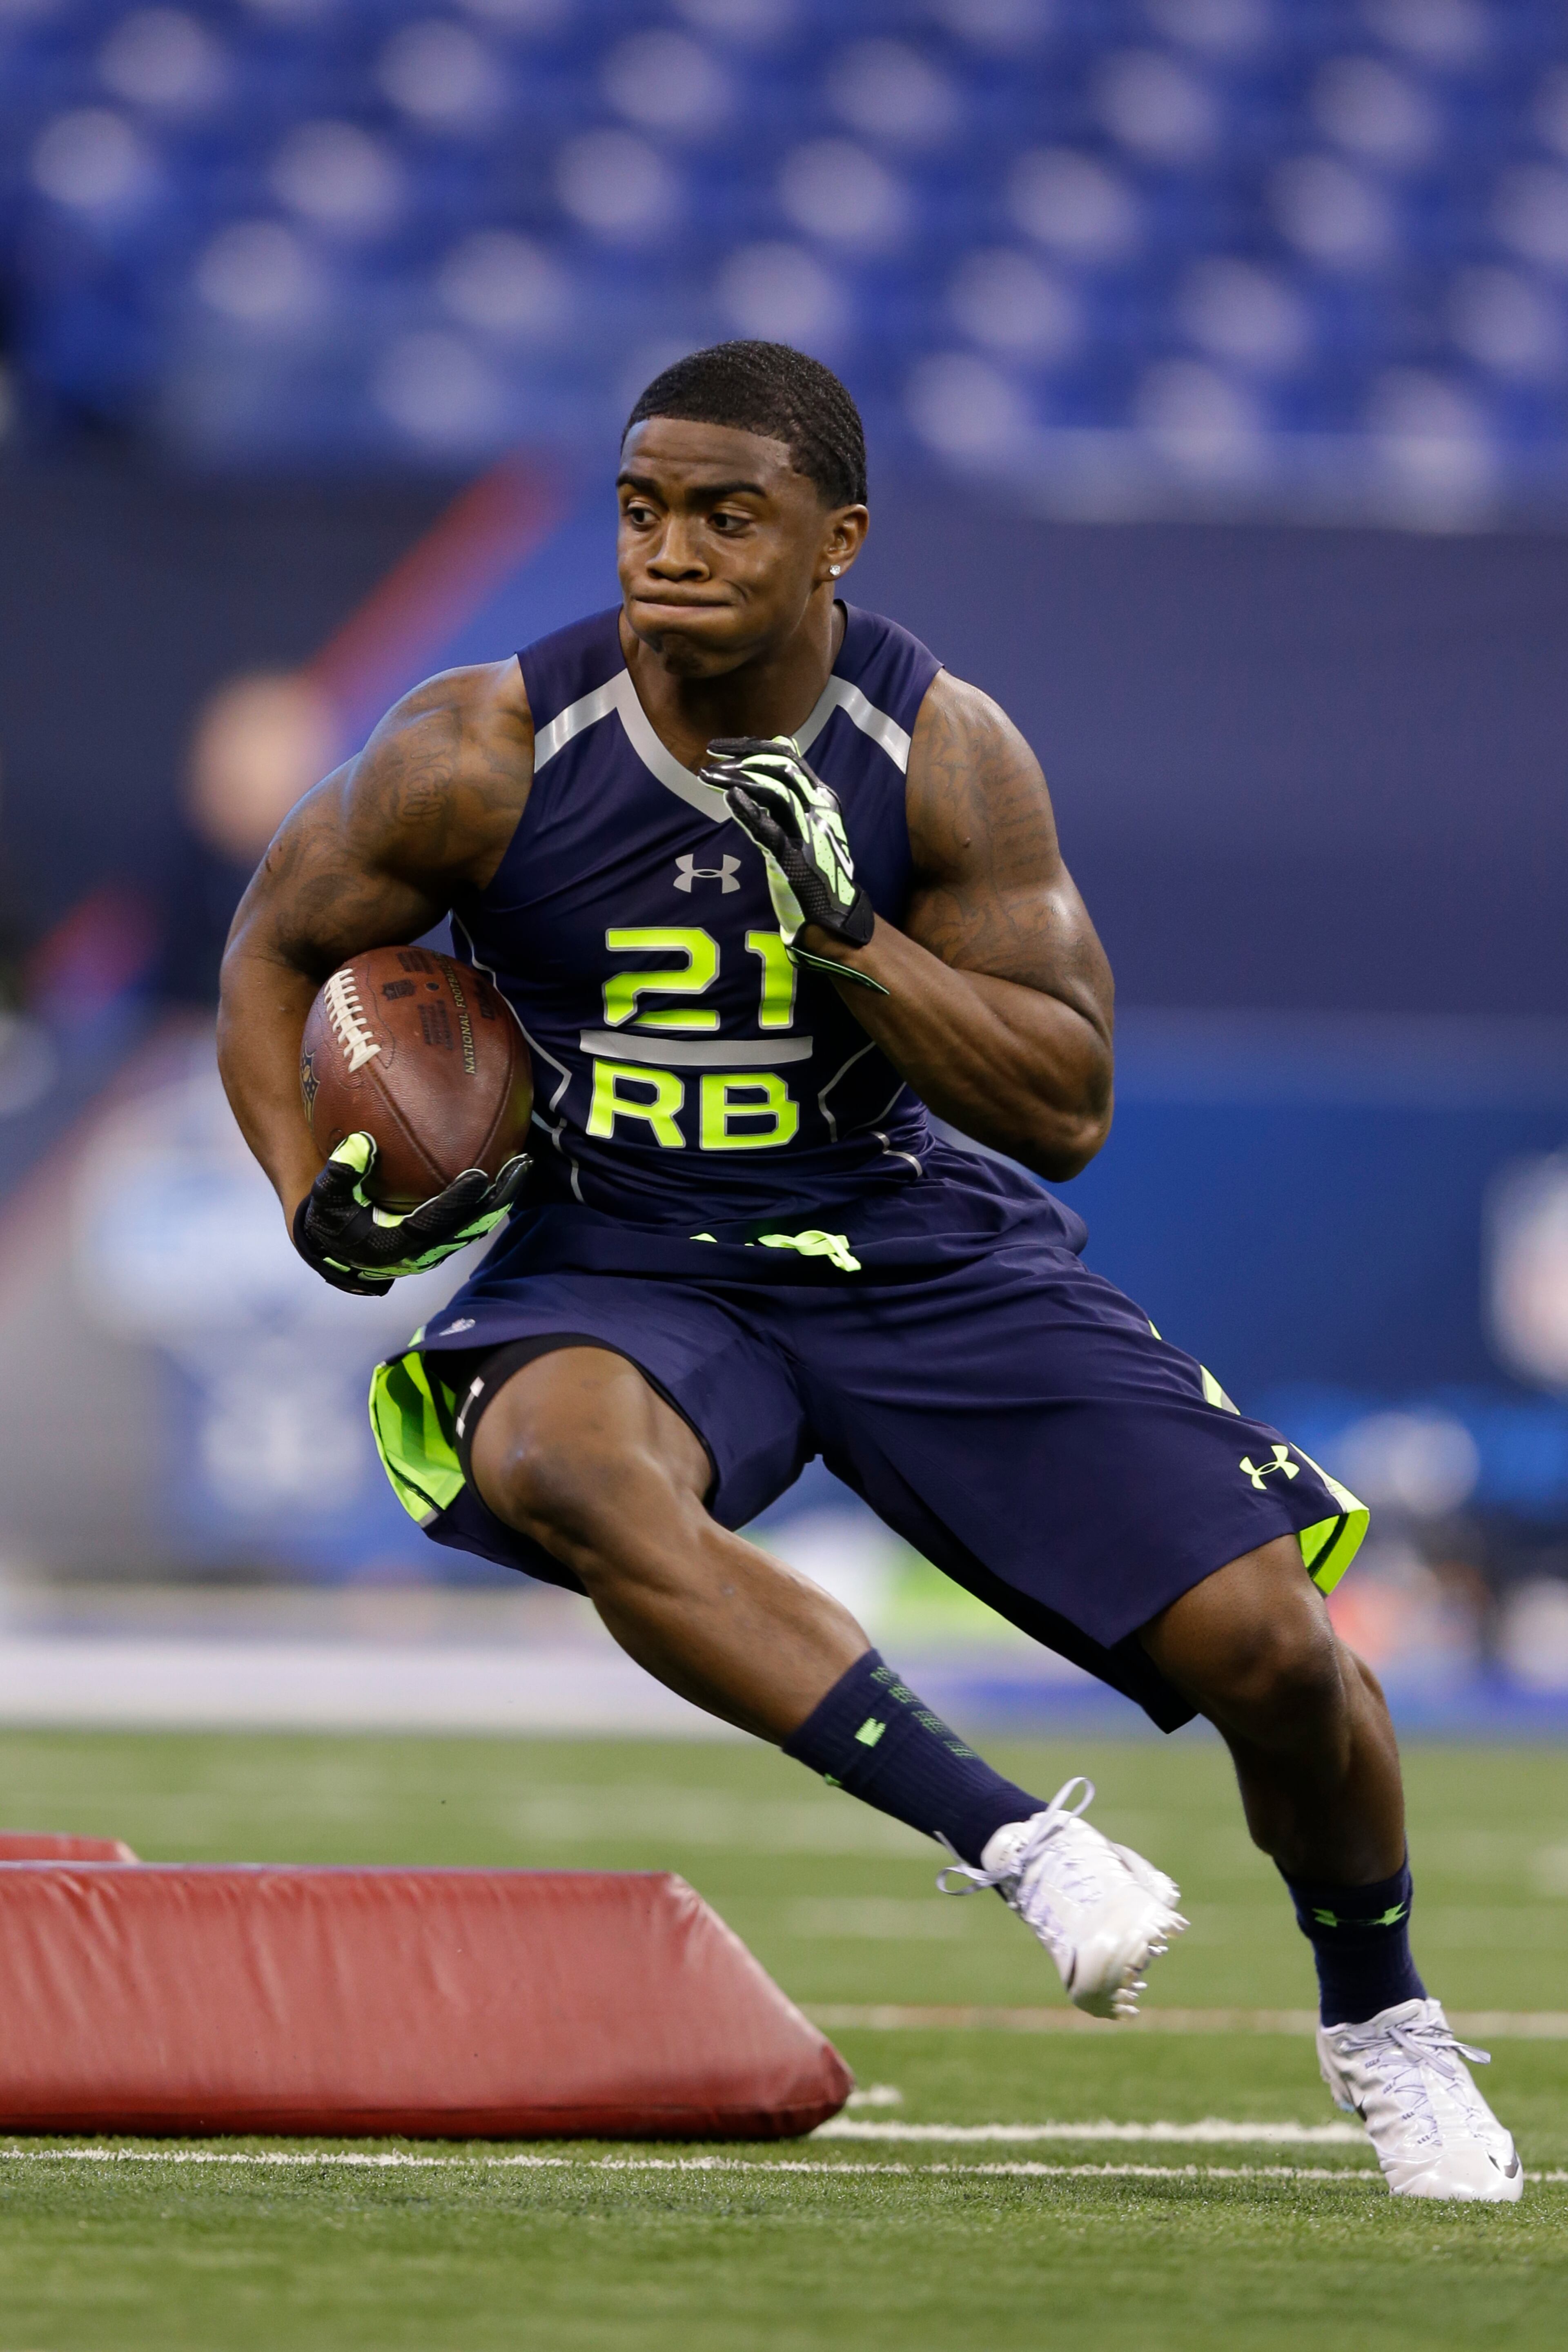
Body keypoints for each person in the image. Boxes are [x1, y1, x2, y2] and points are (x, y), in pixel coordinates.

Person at [219, 341, 1518, 2201]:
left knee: (1277, 1652)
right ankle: (1013, 1840)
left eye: (725, 515)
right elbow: (276, 945)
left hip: (902, 1235)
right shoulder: (485, 744)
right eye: (642, 507)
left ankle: (1386, 2025)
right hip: (633, 1247)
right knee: (556, 1461)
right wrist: (304, 1190)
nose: (669, 550)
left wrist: (851, 941)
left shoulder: (944, 749)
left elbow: (1066, 1106)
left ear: (837, 542)